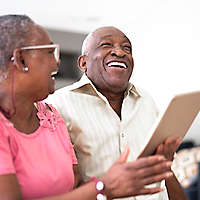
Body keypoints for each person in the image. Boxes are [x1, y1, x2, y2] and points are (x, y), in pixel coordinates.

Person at [0, 15, 174, 200]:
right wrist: (104, 188)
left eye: (126, 48)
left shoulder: (51, 117)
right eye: (50, 52)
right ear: (21, 59)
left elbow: (72, 186)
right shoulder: (61, 105)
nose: (58, 62)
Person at [46, 26, 188, 200]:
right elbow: (62, 187)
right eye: (106, 45)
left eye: (127, 48)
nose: (119, 53)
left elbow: (163, 170)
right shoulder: (57, 105)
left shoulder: (147, 100)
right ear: (83, 63)